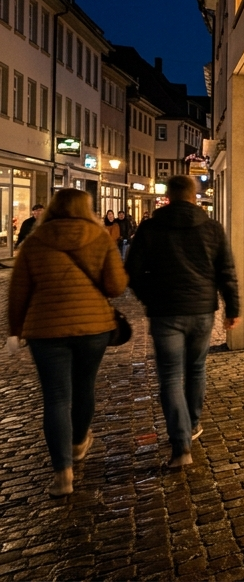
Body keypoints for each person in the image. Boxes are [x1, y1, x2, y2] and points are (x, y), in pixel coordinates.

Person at [5, 189, 128, 497]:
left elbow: (18, 292)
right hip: (93, 328)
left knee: (56, 398)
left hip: (45, 330)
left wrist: (14, 331)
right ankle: (77, 443)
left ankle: (63, 473)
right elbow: (115, 287)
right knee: (84, 386)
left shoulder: (35, 241)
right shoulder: (99, 238)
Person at [125, 175, 241, 469]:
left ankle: (181, 446)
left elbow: (133, 272)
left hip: (165, 311)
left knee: (170, 376)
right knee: (196, 368)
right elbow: (226, 271)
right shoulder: (213, 228)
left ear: (168, 197)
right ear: (194, 196)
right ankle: (192, 424)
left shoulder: (150, 228)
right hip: (202, 310)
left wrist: (150, 297)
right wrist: (232, 308)